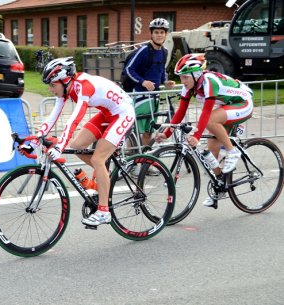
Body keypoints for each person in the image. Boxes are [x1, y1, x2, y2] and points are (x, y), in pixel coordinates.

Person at [18, 57, 136, 226]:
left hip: (123, 114)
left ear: (65, 81)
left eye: (52, 85)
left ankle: (104, 212)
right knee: (77, 146)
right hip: (107, 114)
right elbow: (53, 117)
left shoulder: (83, 87)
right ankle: (104, 178)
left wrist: (59, 146)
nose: (51, 89)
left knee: (97, 159)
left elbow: (73, 120)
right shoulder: (67, 89)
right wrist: (35, 141)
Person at [155, 53, 254, 207]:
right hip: (226, 106)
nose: (182, 81)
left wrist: (196, 135)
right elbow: (180, 112)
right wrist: (167, 133)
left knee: (210, 120)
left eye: (185, 77)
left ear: (196, 74)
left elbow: (206, 113)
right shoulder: (190, 86)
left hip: (243, 103)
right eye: (181, 77)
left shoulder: (209, 82)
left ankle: (232, 151)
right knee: (211, 150)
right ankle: (219, 188)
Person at [123, 18, 176, 147]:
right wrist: (143, 81)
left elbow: (161, 69)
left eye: (162, 32)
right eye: (156, 32)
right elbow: (129, 69)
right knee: (135, 131)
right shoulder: (143, 50)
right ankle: (131, 161)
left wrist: (165, 81)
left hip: (154, 97)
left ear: (166, 34)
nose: (159, 35)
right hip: (140, 97)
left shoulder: (164, 51)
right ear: (151, 34)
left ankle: (144, 163)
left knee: (148, 131)